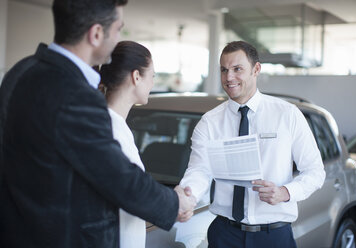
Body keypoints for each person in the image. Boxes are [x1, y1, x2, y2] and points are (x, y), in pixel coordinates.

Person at [0, 0, 195, 247]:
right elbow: (118, 177)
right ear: (96, 34)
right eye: (118, 29)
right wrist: (174, 203)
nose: (117, 39)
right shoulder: (74, 93)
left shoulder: (21, 71)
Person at [179, 41, 325, 248]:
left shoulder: (287, 114)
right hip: (224, 235)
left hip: (273, 236)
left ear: (256, 69)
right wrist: (187, 197)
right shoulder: (210, 121)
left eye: (237, 69)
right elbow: (199, 170)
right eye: (224, 70)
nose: (229, 77)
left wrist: (286, 192)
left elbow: (315, 171)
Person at [98, 40, 173, 248]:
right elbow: (131, 192)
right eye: (152, 76)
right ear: (136, 76)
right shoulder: (108, 129)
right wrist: (174, 203)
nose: (152, 84)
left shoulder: (114, 125)